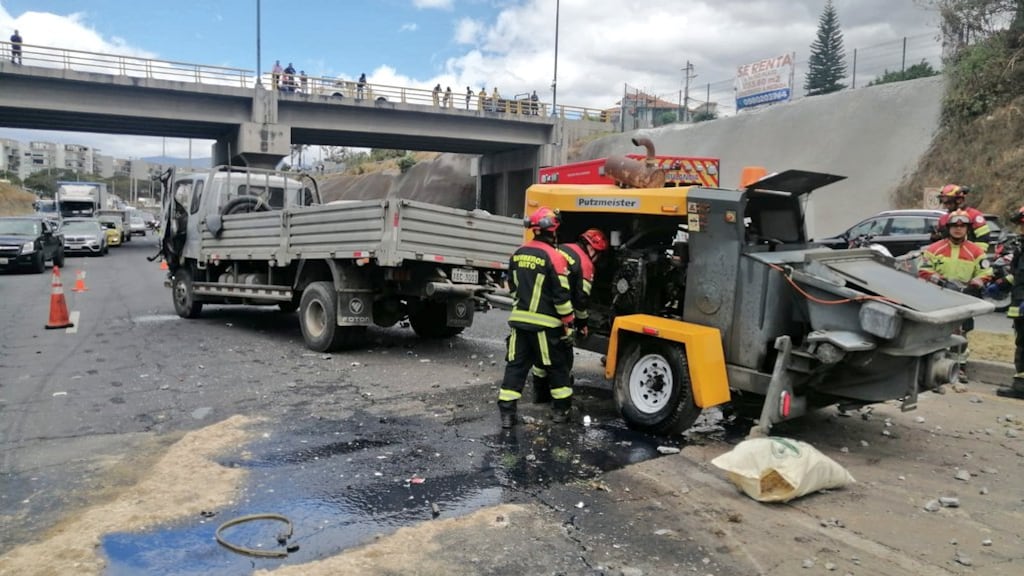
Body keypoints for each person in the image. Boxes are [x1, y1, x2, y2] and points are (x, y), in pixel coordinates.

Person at [498, 207, 576, 428]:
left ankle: (507, 414)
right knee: (557, 367)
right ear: (553, 231)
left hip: (519, 322)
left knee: (516, 366)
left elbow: (512, 287)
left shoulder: (518, 253)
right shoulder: (555, 257)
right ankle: (561, 412)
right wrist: (569, 322)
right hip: (546, 326)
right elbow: (561, 296)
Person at [531, 228, 609, 403]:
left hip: (537, 305)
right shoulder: (586, 265)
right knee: (563, 355)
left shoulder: (562, 248)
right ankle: (560, 399)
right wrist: (582, 324)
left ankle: (539, 393)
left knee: (541, 354)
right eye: (599, 254)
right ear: (592, 248)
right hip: (557, 314)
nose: (599, 259)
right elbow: (581, 300)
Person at [918, 209, 993, 380]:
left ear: (967, 229)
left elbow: (986, 271)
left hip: (964, 298)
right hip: (938, 298)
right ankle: (931, 369)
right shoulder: (934, 249)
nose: (958, 229)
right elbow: (924, 269)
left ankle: (958, 368)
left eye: (962, 226)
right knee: (935, 333)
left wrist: (976, 283)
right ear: (948, 228)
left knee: (961, 334)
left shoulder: (975, 251)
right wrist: (940, 280)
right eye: (954, 226)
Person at [1000, 206, 1024, 398]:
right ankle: (1020, 385)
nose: (1021, 230)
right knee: (1022, 343)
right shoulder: (1021, 248)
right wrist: (1001, 285)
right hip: (1019, 306)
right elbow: (1018, 275)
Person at [934, 184, 991, 252]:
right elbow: (941, 241)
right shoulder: (943, 219)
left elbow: (983, 238)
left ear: (959, 200)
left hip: (968, 258)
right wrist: (935, 237)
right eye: (943, 201)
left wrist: (976, 254)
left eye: (948, 202)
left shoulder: (974, 215)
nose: (946, 205)